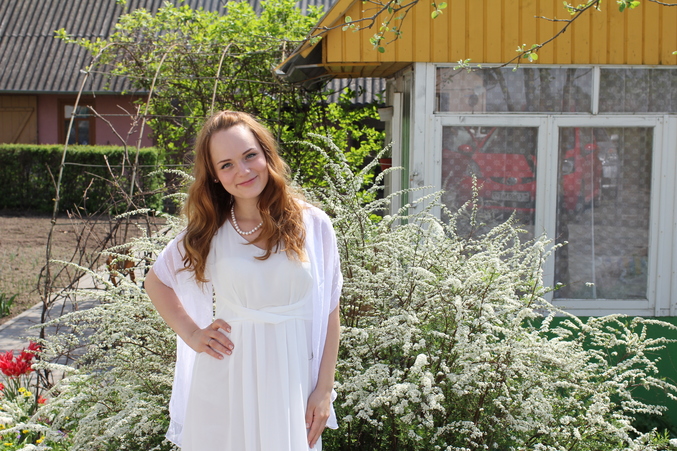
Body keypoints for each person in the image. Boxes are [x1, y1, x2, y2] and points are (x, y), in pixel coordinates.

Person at [144, 111, 342, 450]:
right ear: (215, 176)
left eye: (250, 155)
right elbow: (156, 281)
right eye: (227, 165)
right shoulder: (210, 230)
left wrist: (324, 391)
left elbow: (330, 309)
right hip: (226, 380)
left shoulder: (313, 224)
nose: (243, 170)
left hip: (292, 382)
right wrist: (192, 334)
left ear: (266, 153)